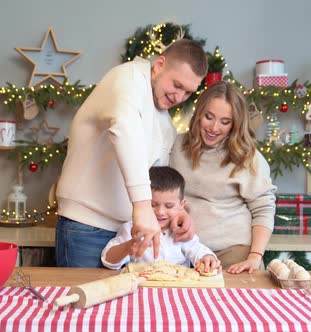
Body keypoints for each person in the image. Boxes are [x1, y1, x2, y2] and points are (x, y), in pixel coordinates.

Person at [55, 39, 208, 267]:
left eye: (188, 93)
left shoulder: (166, 125)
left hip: (130, 231)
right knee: (83, 300)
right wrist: (143, 207)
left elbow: (158, 182)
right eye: (177, 85)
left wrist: (177, 214)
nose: (179, 98)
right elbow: (124, 129)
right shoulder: (126, 79)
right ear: (159, 64)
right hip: (86, 227)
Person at [169, 81, 277, 274]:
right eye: (208, 117)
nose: (214, 128)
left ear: (235, 124)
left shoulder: (248, 157)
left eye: (225, 122)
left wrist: (254, 257)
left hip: (233, 254)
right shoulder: (175, 146)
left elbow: (264, 209)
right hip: (182, 251)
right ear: (198, 114)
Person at [101, 166, 221, 274]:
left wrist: (207, 257)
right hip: (141, 289)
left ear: (182, 205)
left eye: (169, 206)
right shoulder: (131, 228)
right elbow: (108, 261)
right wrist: (129, 245)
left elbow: (198, 250)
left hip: (177, 289)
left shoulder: (181, 231)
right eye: (152, 205)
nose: (160, 212)